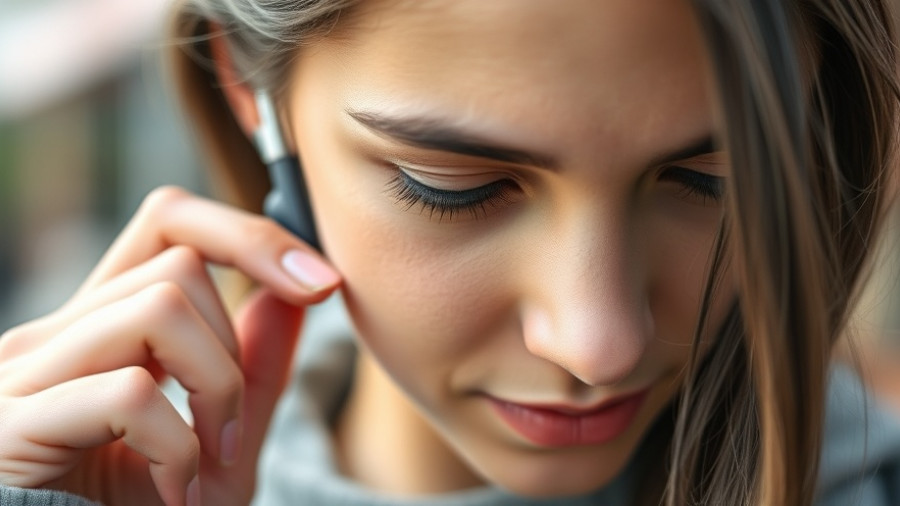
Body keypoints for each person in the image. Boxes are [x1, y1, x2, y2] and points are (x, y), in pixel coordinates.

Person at [1, 0, 900, 505]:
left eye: (713, 179)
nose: (600, 344)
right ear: (250, 94)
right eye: (454, 187)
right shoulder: (100, 476)